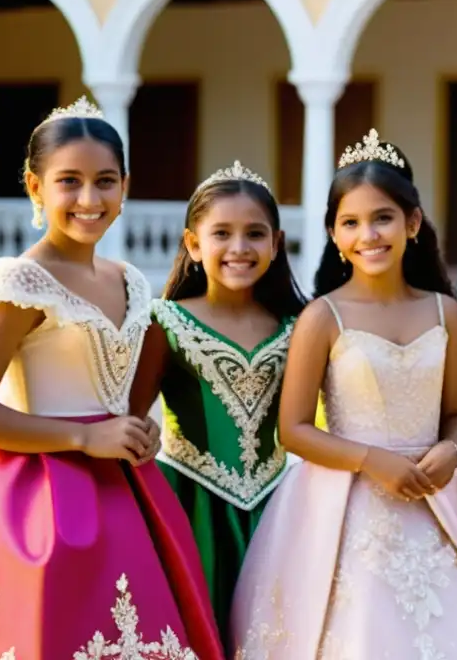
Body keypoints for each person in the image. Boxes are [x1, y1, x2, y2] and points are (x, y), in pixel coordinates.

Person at [0, 97, 223, 659]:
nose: (90, 199)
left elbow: (111, 386)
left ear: (125, 186)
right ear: (36, 188)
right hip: (37, 496)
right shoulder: (21, 283)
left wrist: (135, 429)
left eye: (105, 181)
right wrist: (84, 437)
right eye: (70, 181)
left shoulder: (129, 279)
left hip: (126, 493)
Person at [229, 129, 457, 659]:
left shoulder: (445, 312)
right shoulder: (322, 317)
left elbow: (455, 414)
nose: (368, 235)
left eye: (382, 218)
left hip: (432, 500)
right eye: (350, 223)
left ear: (412, 223)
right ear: (333, 233)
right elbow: (294, 431)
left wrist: (453, 449)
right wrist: (373, 461)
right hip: (346, 507)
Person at [130, 160, 307, 640]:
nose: (239, 247)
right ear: (193, 243)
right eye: (222, 233)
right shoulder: (163, 321)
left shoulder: (298, 327)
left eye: (254, 234)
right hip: (188, 510)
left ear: (276, 243)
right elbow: (128, 417)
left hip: (278, 511)